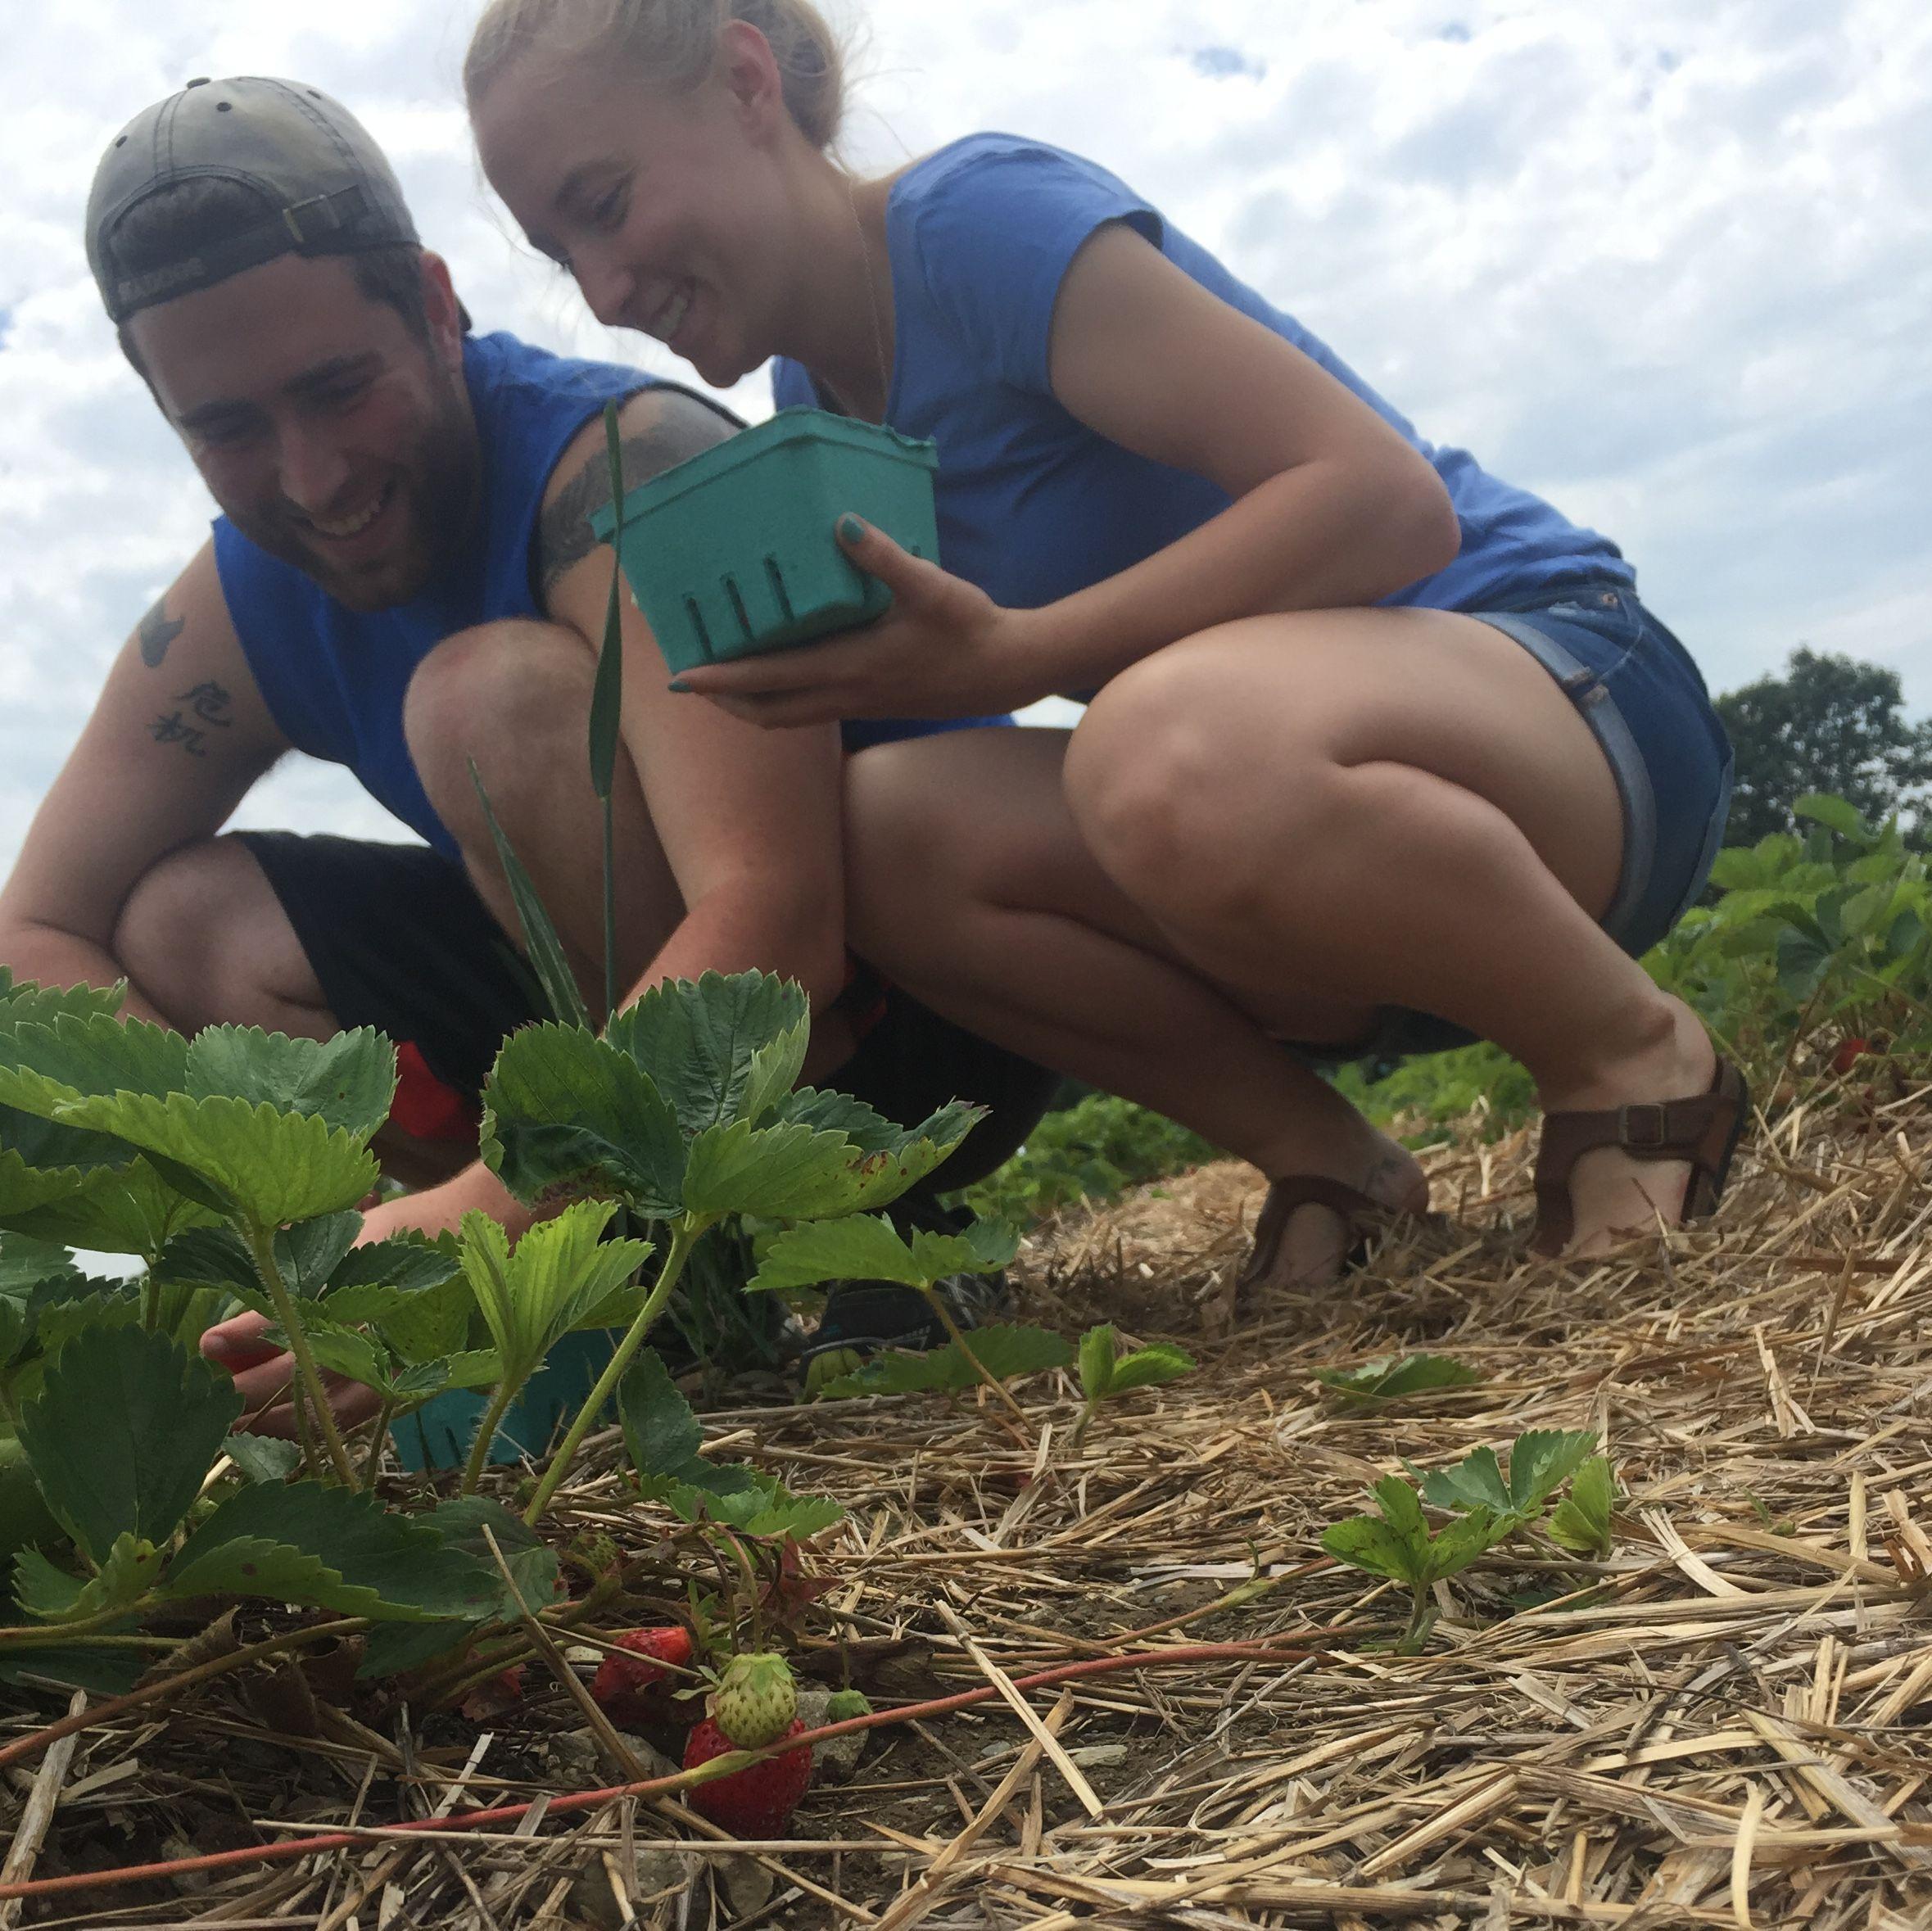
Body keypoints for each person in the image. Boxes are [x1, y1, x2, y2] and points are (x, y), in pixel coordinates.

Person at [464, 0, 1746, 1291]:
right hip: (1332, 857)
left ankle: (1631, 1057)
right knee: (881, 827)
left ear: (747, 82)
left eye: (607, 201)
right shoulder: (815, 401)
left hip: (1574, 700)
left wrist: (1022, 656)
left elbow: (1384, 499)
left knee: (1158, 748)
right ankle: (1332, 1159)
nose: (608, 290)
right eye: (561, 253)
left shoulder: (974, 224)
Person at [0, 75, 1053, 1433]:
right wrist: (297, 1230)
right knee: (179, 918)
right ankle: (582, 1288)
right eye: (230, 429)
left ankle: (824, 1234)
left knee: (481, 704)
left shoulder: (629, 466)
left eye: (338, 388)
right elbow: (39, 929)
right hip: (614, 1035)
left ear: (438, 308)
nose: (312, 476)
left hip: (908, 1029)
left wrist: (478, 1219)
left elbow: (776, 925)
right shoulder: (239, 600)